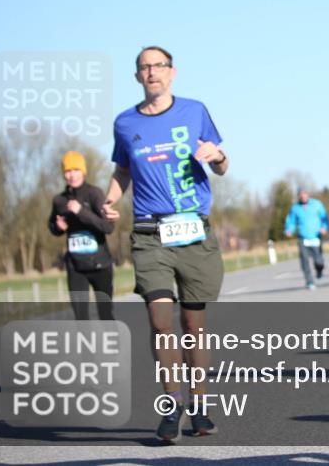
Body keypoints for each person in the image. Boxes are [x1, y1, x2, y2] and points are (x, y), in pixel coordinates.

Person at [103, 46, 228, 443]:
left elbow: (222, 164)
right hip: (148, 234)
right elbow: (122, 171)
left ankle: (200, 405)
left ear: (172, 72)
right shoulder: (125, 123)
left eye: (158, 66)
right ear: (137, 76)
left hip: (193, 232)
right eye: (144, 67)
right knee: (160, 323)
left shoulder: (194, 111)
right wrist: (108, 200)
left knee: (193, 326)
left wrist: (218, 156)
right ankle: (172, 404)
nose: (152, 72)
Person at [48, 150, 116, 321]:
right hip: (76, 267)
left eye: (76, 170)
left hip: (101, 265)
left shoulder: (94, 194)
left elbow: (107, 227)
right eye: (68, 171)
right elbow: (52, 227)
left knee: (105, 314)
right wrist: (58, 227)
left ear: (83, 171)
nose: (72, 175)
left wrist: (81, 212)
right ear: (64, 174)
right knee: (81, 317)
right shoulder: (59, 200)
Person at [284, 189, 329, 290]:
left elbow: (324, 217)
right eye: (301, 195)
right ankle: (309, 281)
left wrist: (325, 227)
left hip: (316, 236)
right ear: (299, 196)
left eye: (305, 195)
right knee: (304, 260)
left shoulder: (317, 204)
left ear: (308, 195)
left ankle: (319, 270)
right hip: (302, 237)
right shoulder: (295, 208)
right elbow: (291, 221)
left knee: (319, 260)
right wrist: (289, 230)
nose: (303, 197)